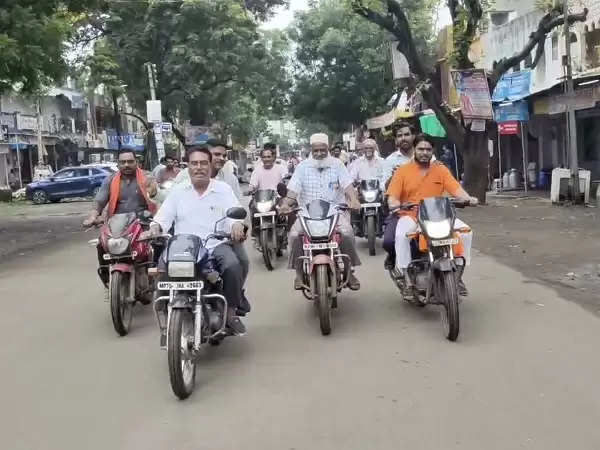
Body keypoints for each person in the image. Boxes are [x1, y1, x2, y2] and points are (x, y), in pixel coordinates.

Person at [147, 146, 248, 335]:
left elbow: (235, 213)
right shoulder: (178, 191)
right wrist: (155, 227)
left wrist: (236, 225)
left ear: (210, 166)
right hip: (184, 246)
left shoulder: (223, 189)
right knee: (161, 268)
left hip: (215, 244)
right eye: (194, 163)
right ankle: (163, 310)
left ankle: (231, 313)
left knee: (233, 266)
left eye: (203, 163)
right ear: (188, 166)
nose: (199, 167)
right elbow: (163, 216)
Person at [386, 134, 477, 295]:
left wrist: (468, 199)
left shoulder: (440, 169)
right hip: (411, 215)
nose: (424, 152)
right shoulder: (402, 171)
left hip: (439, 215)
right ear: (414, 150)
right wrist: (395, 204)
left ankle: (458, 272)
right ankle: (407, 276)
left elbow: (456, 190)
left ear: (432, 151)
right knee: (401, 235)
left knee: (466, 231)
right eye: (421, 149)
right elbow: (392, 197)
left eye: (428, 149)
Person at [278, 133, 361, 290]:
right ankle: (299, 273)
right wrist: (286, 204)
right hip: (307, 214)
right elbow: (293, 191)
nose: (319, 153)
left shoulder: (338, 164)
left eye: (322, 150)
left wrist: (354, 200)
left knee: (347, 233)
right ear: (311, 150)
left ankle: (349, 272)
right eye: (316, 150)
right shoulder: (302, 167)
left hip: (335, 212)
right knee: (295, 235)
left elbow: (348, 185)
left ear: (328, 148)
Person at [82, 149, 158, 286]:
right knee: (101, 244)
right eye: (123, 162)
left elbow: (155, 192)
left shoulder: (147, 176)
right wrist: (92, 217)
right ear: (118, 164)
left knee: (157, 243)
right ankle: (106, 276)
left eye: (130, 161)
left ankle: (155, 277)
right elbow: (99, 201)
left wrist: (153, 189)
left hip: (143, 222)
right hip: (118, 223)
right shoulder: (110, 179)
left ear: (137, 162)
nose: (126, 165)